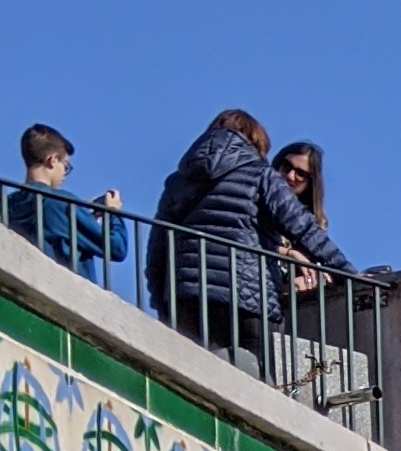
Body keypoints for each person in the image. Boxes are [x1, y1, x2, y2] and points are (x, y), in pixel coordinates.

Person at [146, 109, 348, 364]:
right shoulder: (260, 174)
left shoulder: (178, 181)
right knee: (252, 372)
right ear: (256, 142)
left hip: (186, 295)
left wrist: (162, 301)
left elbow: (158, 245)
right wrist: (347, 274)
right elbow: (303, 228)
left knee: (190, 373)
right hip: (246, 295)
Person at [0, 126, 129, 284]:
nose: (64, 174)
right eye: (65, 166)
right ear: (53, 160)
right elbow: (116, 248)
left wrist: (87, 217)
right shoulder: (61, 204)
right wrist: (112, 212)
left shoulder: (9, 204)